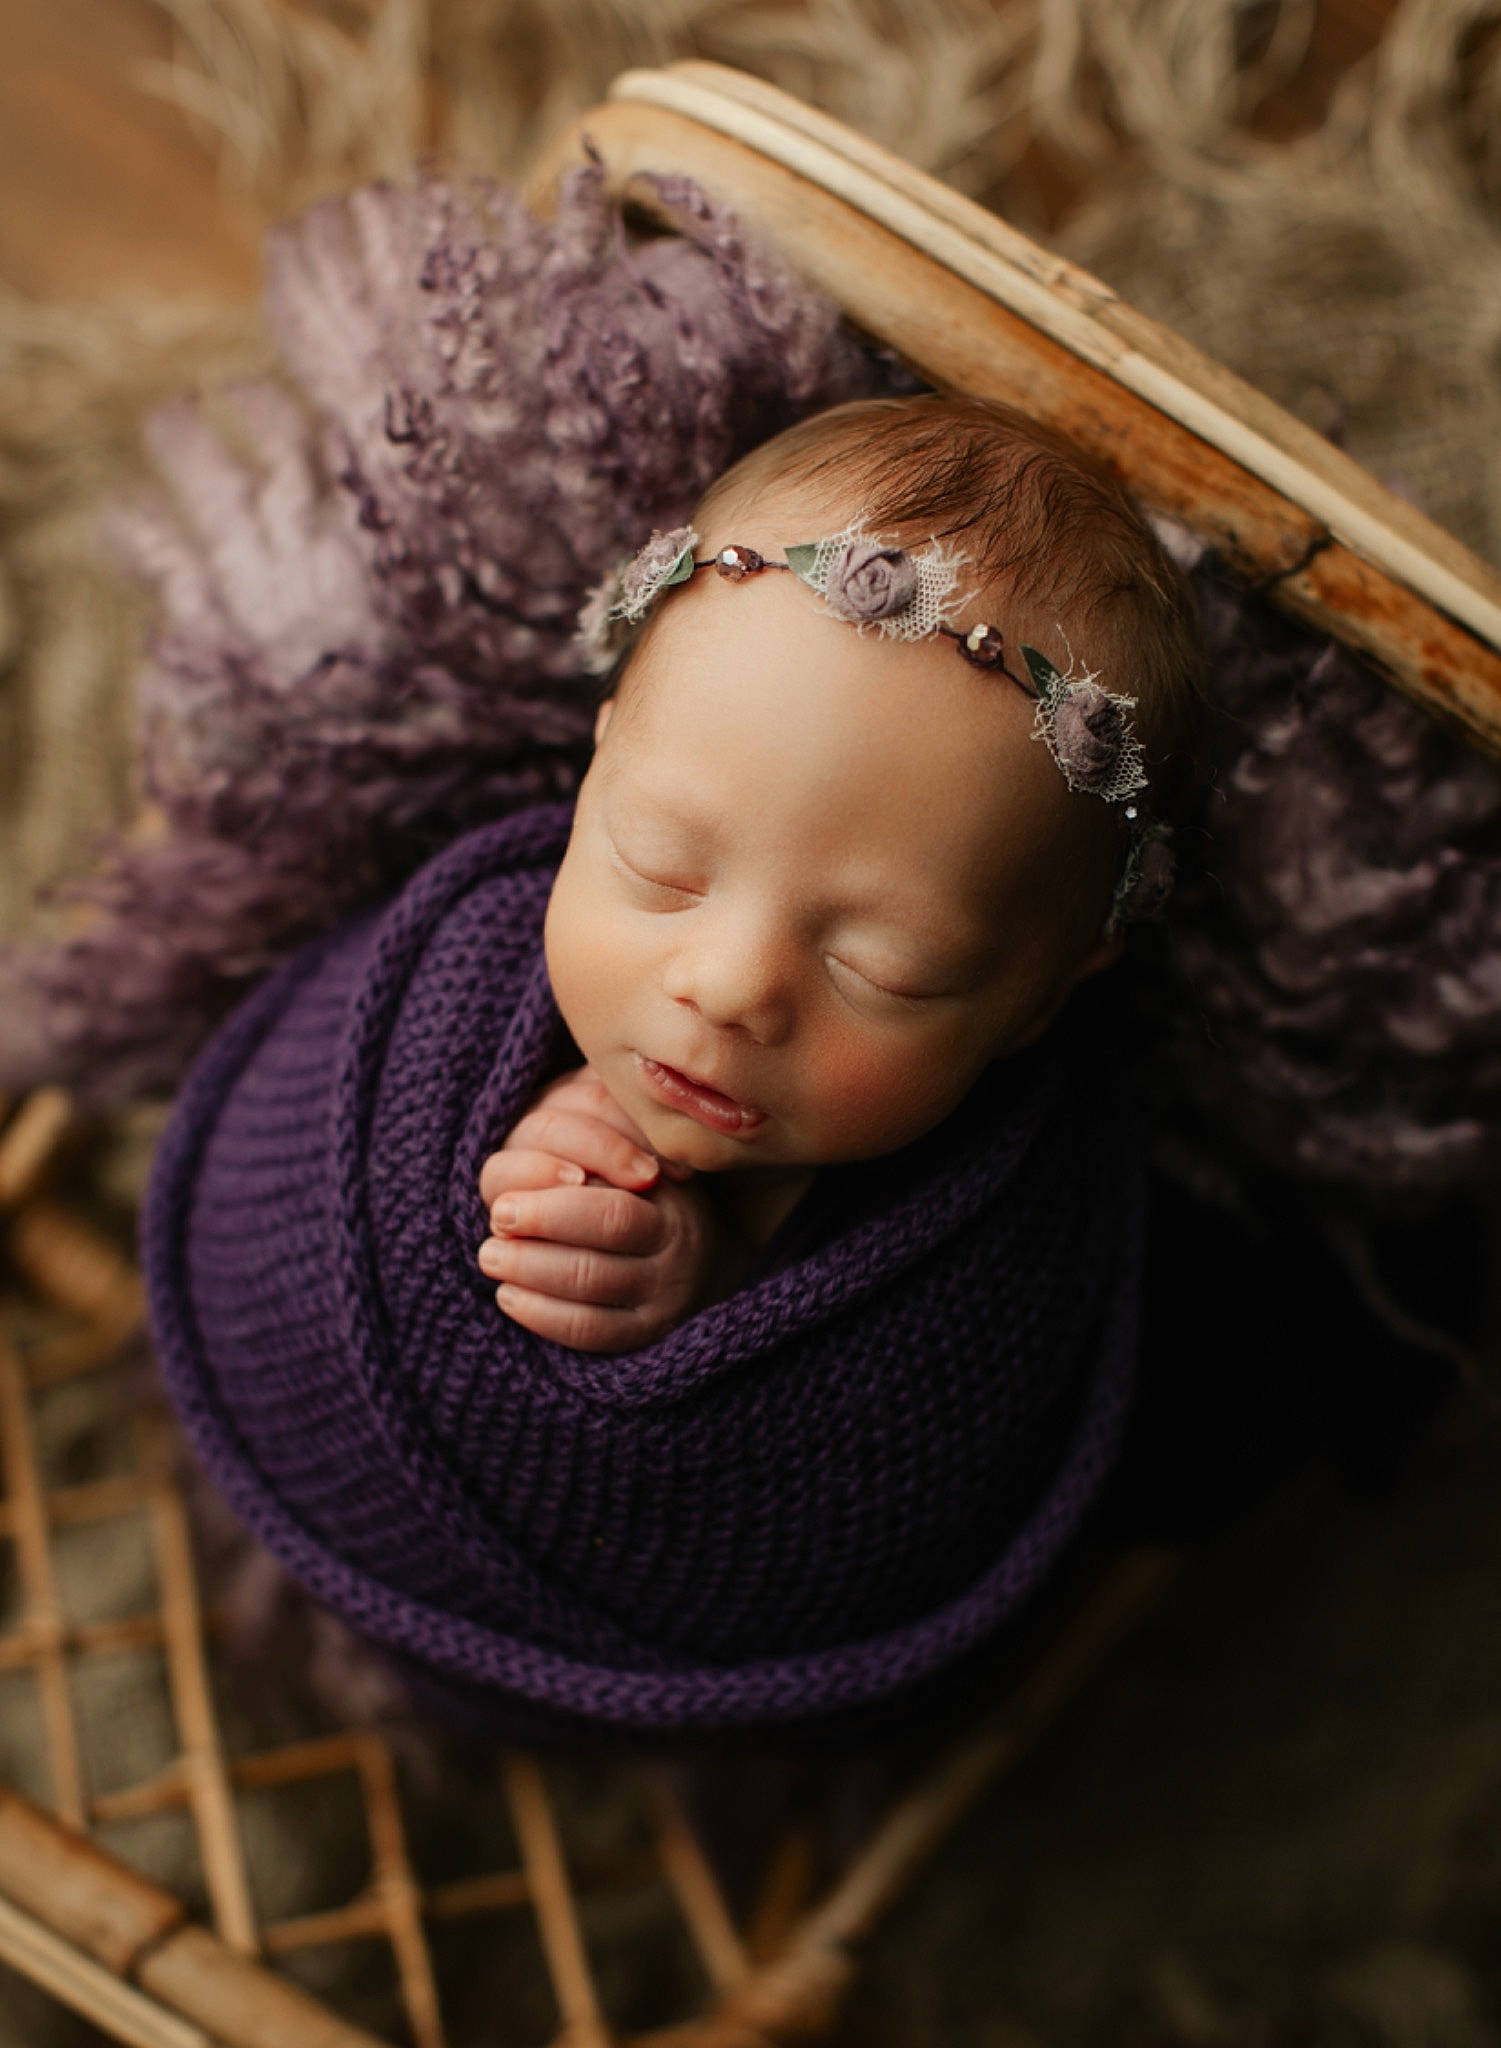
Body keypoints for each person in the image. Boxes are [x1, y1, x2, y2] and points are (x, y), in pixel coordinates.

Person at [475, 392, 1205, 1353]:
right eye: (660, 865)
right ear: (593, 769)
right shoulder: (469, 959)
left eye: (884, 967)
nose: (732, 987)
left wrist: (712, 1278)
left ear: (1038, 999)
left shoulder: (982, 1263)